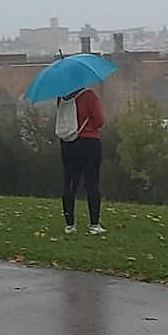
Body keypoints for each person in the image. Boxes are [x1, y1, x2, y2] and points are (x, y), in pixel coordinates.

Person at [58, 87, 106, 235]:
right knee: (92, 183)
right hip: (89, 142)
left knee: (70, 184)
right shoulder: (89, 95)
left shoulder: (62, 97)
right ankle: (94, 224)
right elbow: (99, 121)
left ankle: (70, 225)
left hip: (68, 143)